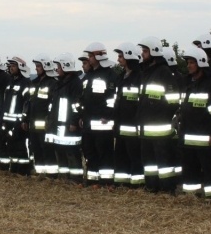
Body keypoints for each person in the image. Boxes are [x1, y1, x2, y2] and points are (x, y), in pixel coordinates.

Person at [177, 45, 211, 199]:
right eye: (188, 62)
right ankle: (192, 194)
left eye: (192, 62)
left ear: (201, 63)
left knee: (210, 167)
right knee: (190, 167)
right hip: (188, 135)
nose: (189, 65)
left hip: (206, 138)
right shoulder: (187, 83)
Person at [136, 36, 181, 193]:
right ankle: (151, 186)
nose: (142, 54)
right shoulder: (146, 72)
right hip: (146, 128)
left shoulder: (164, 73)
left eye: (145, 51)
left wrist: (161, 116)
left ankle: (167, 188)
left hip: (160, 129)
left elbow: (173, 100)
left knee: (164, 162)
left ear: (154, 52)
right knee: (149, 163)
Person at [79, 42, 116, 186]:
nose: (88, 58)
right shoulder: (89, 76)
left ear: (99, 56)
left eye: (90, 55)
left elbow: (113, 98)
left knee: (104, 152)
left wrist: (107, 114)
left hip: (102, 123)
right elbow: (84, 97)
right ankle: (92, 180)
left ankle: (106, 182)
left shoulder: (110, 75)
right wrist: (81, 115)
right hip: (88, 120)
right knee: (89, 151)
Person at [46, 53, 84, 183]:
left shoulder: (75, 83)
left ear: (66, 66)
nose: (57, 69)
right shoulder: (59, 84)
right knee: (60, 151)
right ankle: (64, 178)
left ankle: (76, 178)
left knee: (72, 152)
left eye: (59, 66)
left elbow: (76, 105)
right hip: (59, 126)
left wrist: (74, 122)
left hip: (69, 126)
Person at [112, 43, 143, 187]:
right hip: (120, 123)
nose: (118, 60)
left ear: (129, 56)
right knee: (120, 154)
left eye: (120, 56)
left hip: (132, 124)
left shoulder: (139, 77)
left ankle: (135, 184)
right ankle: (121, 182)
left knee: (134, 155)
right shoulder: (121, 77)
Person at [24, 54, 57, 177]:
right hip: (33, 124)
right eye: (36, 66)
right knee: (36, 149)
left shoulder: (52, 84)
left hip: (45, 125)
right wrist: (25, 119)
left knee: (47, 150)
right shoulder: (34, 83)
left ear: (46, 67)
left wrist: (50, 121)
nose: (36, 68)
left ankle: (51, 175)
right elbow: (28, 102)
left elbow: (53, 105)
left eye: (38, 66)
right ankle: (40, 173)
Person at [4, 56, 32, 175]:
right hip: (8, 121)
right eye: (10, 66)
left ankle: (24, 170)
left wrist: (23, 120)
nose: (11, 68)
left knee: (21, 147)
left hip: (19, 122)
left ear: (20, 67)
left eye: (14, 66)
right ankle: (14, 168)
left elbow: (27, 103)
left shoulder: (25, 83)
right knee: (11, 146)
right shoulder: (10, 82)